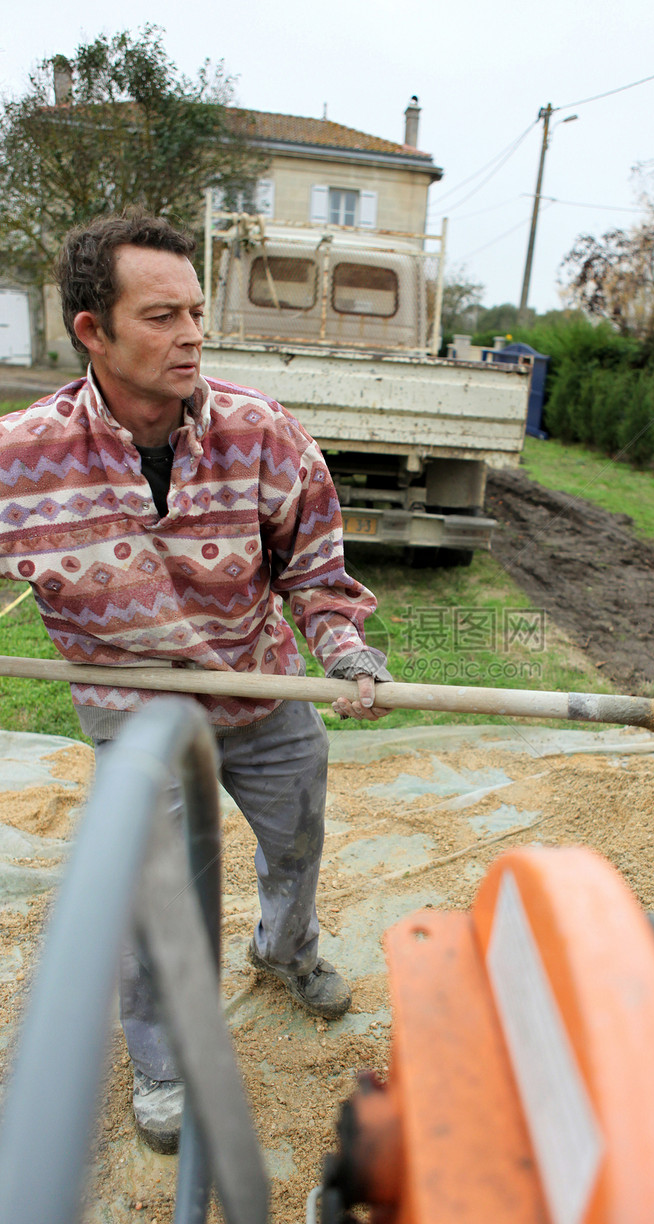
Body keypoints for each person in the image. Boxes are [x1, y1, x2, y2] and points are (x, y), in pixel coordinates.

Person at [0, 211, 392, 1152]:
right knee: (159, 893)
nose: (192, 336)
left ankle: (284, 948)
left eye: (196, 312)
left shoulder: (261, 432)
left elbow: (316, 573)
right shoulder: (18, 461)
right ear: (92, 330)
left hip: (261, 691)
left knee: (297, 842)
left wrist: (344, 650)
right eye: (163, 316)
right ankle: (162, 1058)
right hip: (134, 715)